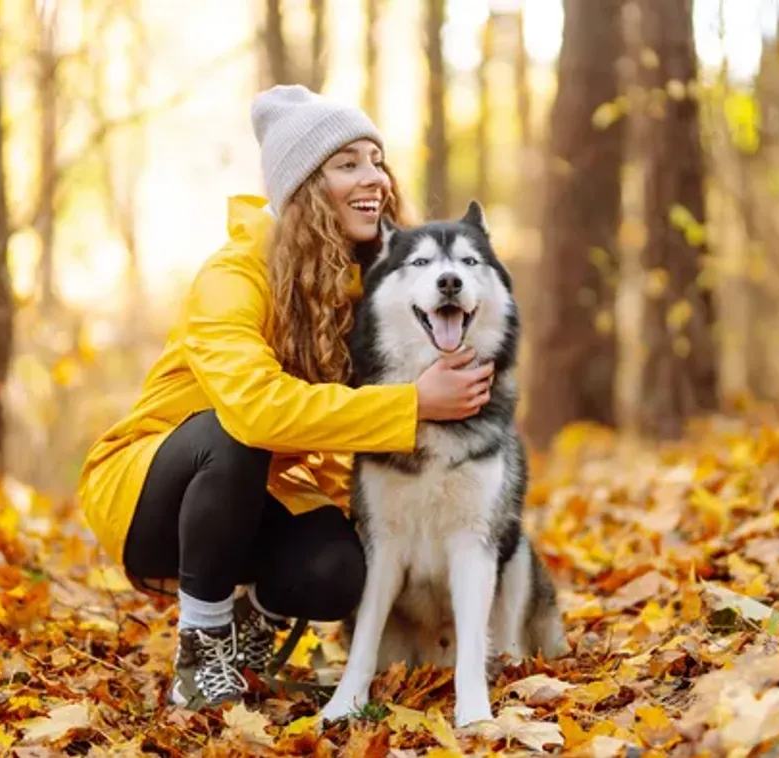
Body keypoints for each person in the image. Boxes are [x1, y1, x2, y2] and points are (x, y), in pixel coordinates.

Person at [76, 84, 495, 710]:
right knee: (237, 433)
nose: (374, 177)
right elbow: (257, 411)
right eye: (347, 163)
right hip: (150, 492)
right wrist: (413, 405)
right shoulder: (234, 274)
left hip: (263, 490)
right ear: (302, 190)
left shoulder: (367, 288)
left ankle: (249, 623)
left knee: (339, 568)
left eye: (376, 159)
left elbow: (340, 436)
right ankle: (202, 646)